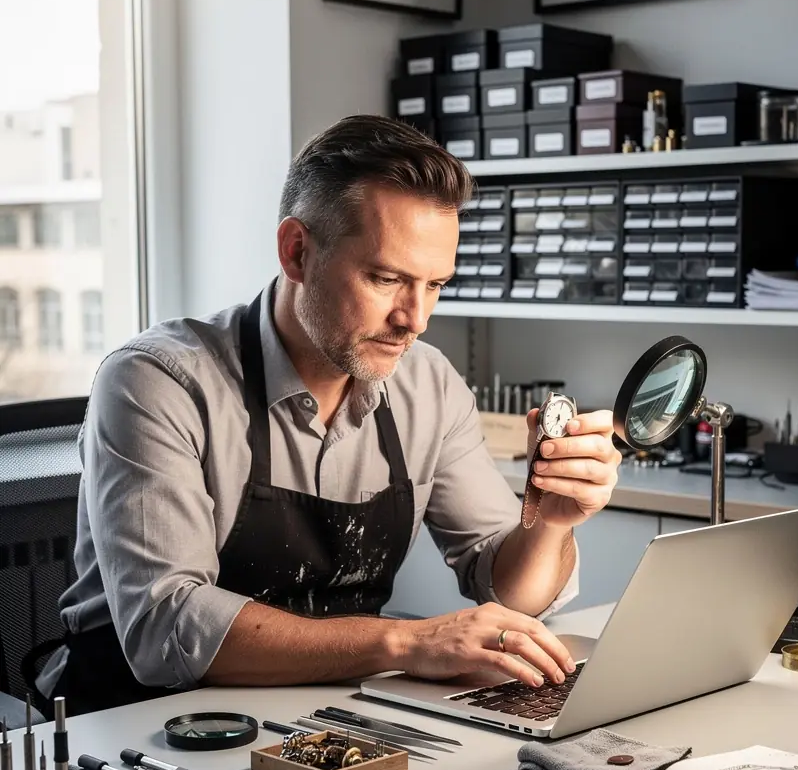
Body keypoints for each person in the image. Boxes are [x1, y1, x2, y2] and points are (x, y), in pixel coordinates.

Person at [36, 116, 620, 715]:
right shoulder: (157, 382)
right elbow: (166, 628)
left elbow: (506, 592)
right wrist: (407, 640)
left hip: (322, 721)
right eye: (386, 278)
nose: (415, 319)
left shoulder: (428, 383)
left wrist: (548, 523)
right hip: (134, 728)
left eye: (436, 285)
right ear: (297, 252)